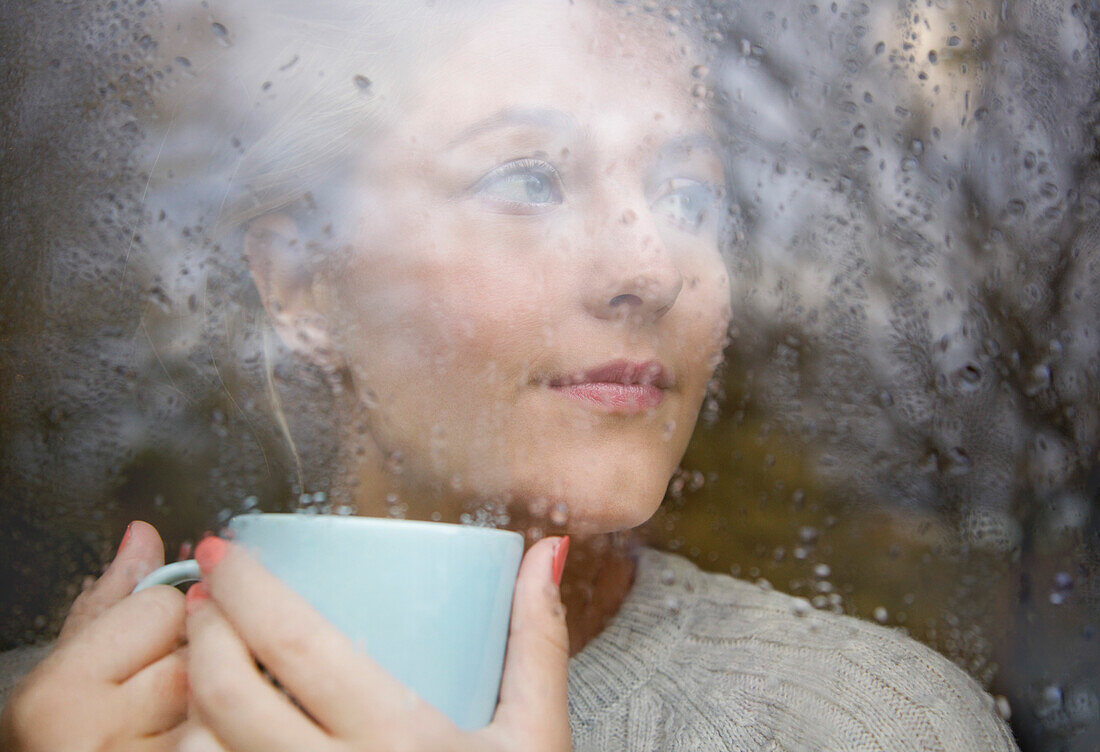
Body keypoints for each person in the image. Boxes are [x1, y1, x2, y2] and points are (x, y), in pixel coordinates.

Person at [1, 0, 1020, 750]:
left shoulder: (871, 726)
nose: (649, 267)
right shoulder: (64, 716)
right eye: (526, 179)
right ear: (302, 281)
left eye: (690, 197)